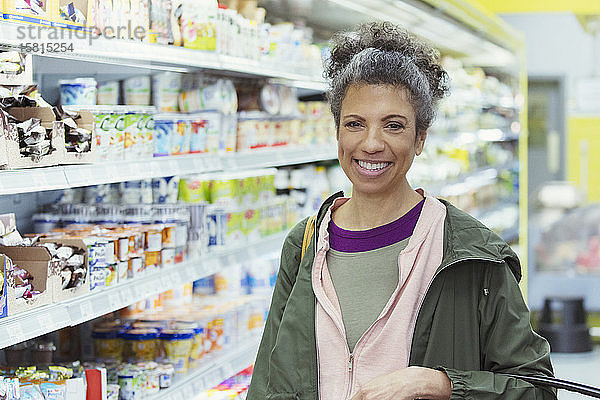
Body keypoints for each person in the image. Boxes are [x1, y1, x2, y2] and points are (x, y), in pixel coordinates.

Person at [247, 21, 557, 400]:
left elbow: (536, 389)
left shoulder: (472, 253)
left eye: (393, 126)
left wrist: (443, 385)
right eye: (355, 124)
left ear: (420, 138)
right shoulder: (305, 245)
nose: (371, 143)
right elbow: (267, 383)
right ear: (337, 132)